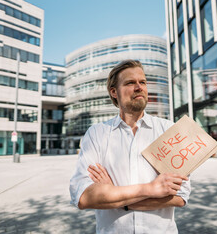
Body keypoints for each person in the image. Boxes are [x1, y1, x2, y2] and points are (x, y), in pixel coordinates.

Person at [70, 60, 191, 233]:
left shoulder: (168, 131)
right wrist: (151, 189)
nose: (139, 87)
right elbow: (83, 197)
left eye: (142, 82)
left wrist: (113, 194)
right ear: (114, 92)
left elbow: (180, 197)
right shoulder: (97, 134)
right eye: (130, 83)